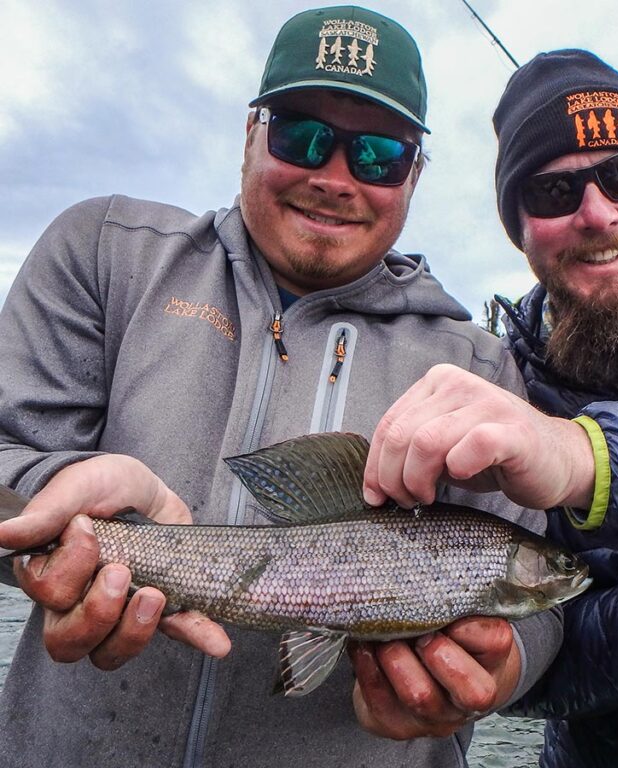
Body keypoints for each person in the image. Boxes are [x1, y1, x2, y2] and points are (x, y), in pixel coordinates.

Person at [0, 7, 564, 767]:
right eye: (301, 137)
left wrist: (499, 669)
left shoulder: (476, 368)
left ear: (414, 175)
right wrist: (52, 501)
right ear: (250, 134)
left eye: (378, 155)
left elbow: (540, 621)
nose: (334, 179)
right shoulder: (104, 253)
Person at [362, 49, 618, 766]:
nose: (598, 214)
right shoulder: (496, 384)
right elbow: (534, 668)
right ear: (518, 228)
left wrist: (583, 455)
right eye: (554, 192)